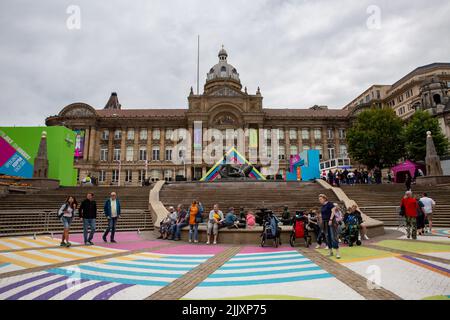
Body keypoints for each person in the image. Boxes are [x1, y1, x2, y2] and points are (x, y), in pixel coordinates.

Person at [319, 194, 340, 259]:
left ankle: (337, 253)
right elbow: (322, 215)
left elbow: (333, 212)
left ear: (325, 198)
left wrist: (330, 219)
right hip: (325, 222)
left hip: (331, 222)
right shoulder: (322, 206)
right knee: (327, 237)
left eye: (321, 199)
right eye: (319, 199)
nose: (320, 200)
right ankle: (330, 252)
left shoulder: (330, 204)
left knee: (333, 236)